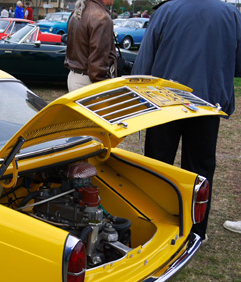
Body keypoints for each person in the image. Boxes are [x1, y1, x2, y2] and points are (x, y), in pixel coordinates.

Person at [131, 0, 241, 241]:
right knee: (200, 168)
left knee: (158, 164)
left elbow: (145, 60)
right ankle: (196, 230)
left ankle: (156, 225)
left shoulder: (166, 11)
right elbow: (236, 63)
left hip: (165, 102)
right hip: (206, 100)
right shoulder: (231, 14)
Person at [64, 0, 117, 92]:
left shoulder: (78, 11)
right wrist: (105, 88)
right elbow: (98, 65)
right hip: (89, 81)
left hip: (74, 77)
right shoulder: (101, 17)